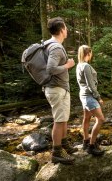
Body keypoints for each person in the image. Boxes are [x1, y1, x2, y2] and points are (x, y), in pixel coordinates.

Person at [44, 17, 77, 164]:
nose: (67, 30)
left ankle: (63, 144)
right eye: (66, 28)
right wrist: (68, 65)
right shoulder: (56, 47)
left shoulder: (49, 44)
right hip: (56, 88)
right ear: (62, 30)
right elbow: (50, 69)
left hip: (59, 88)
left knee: (63, 118)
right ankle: (57, 152)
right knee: (59, 120)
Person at [76, 45, 105, 156]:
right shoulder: (86, 66)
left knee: (87, 118)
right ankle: (91, 146)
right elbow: (91, 85)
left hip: (83, 95)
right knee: (101, 119)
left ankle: (85, 141)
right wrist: (98, 97)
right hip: (89, 96)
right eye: (90, 53)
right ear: (88, 53)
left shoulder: (79, 65)